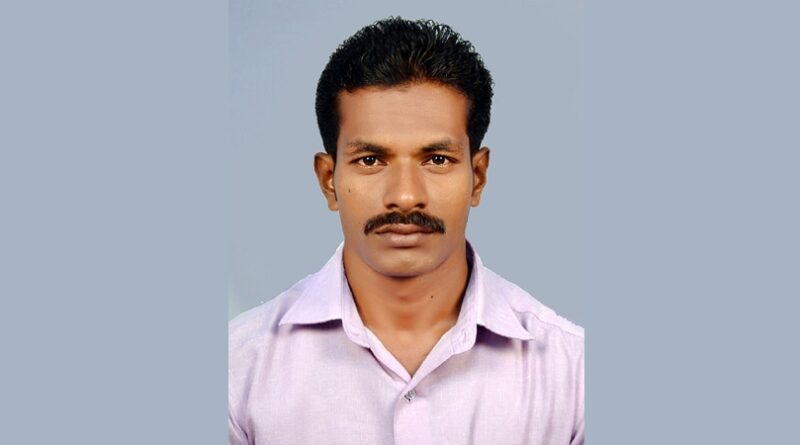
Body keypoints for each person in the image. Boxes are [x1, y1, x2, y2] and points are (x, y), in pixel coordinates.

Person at [229, 17, 584, 445]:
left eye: (436, 159)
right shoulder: (236, 371)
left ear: (478, 177)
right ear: (328, 180)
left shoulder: (574, 375)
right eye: (370, 160)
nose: (404, 196)